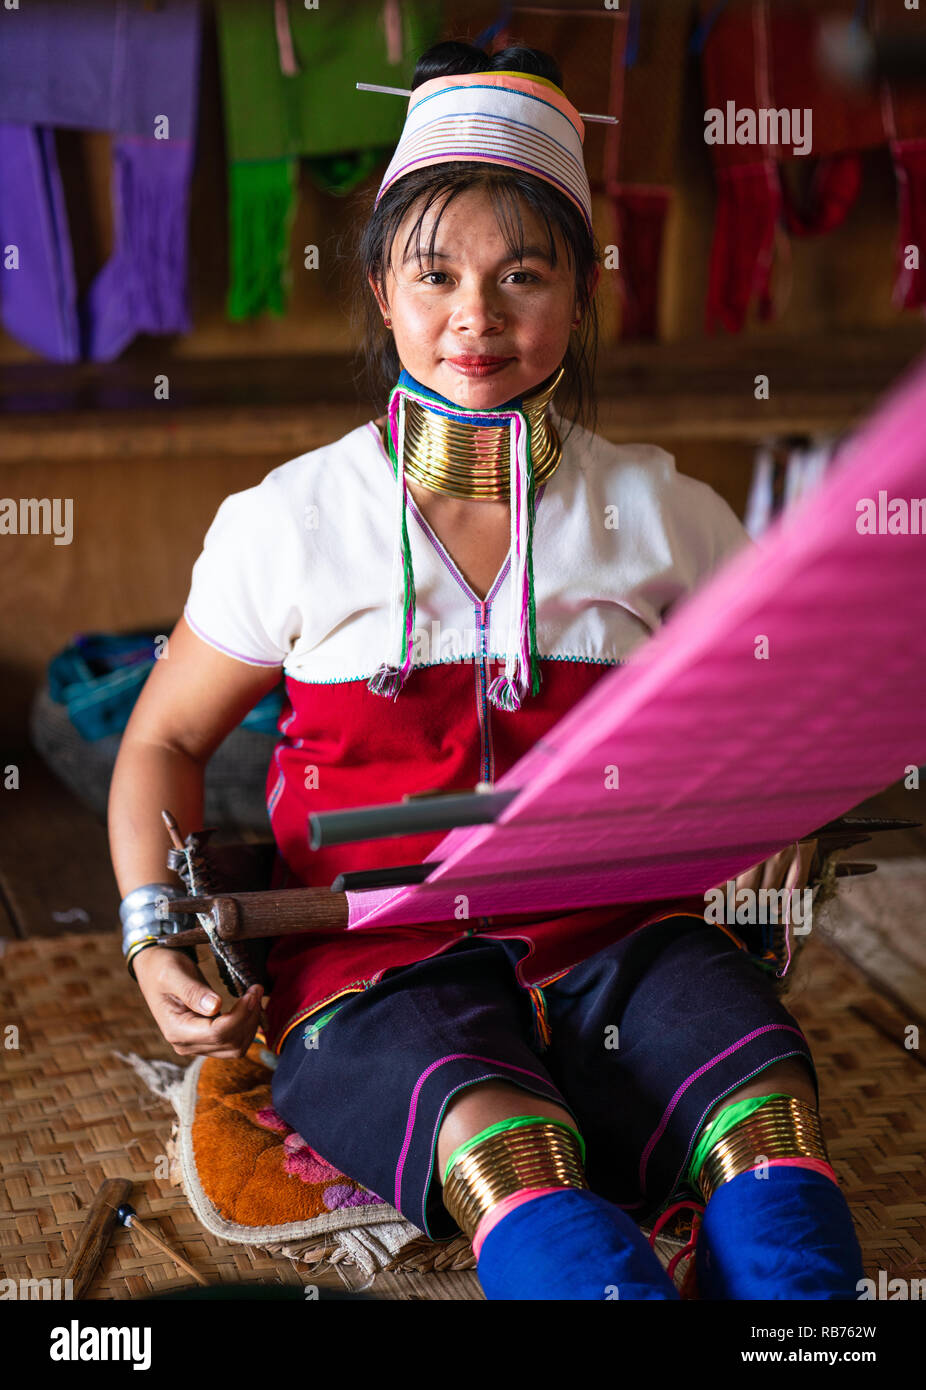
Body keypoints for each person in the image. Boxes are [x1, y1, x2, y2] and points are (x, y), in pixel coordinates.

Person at [108, 40, 866, 1301]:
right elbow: (162, 743)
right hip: (370, 952)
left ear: (579, 292)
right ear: (378, 286)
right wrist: (149, 936)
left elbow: (799, 712)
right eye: (436, 273)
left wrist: (786, 814)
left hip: (632, 930)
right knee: (507, 1154)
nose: (477, 314)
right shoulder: (289, 520)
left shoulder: (662, 511)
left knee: (769, 1125)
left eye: (524, 273)